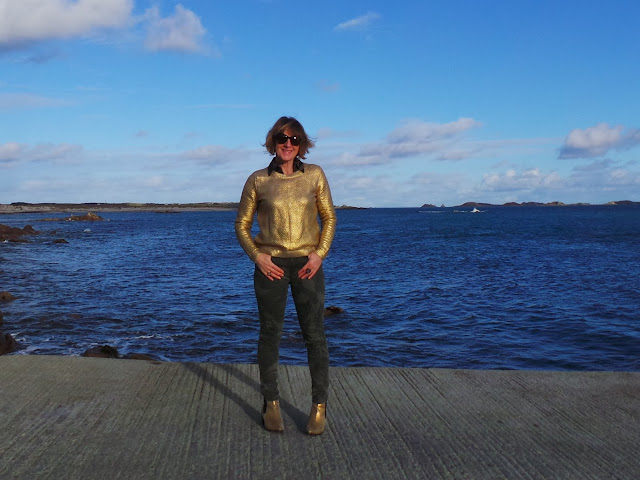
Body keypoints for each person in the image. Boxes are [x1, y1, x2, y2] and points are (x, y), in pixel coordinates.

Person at [235, 116, 337, 435]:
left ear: (302, 144)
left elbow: (329, 217)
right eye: (283, 138)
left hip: (308, 266)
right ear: (273, 141)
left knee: (315, 336)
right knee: (270, 334)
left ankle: (319, 406)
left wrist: (319, 254)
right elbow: (241, 225)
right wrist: (258, 256)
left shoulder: (315, 174)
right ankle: (271, 403)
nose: (288, 144)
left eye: (295, 139)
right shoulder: (258, 180)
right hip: (271, 267)